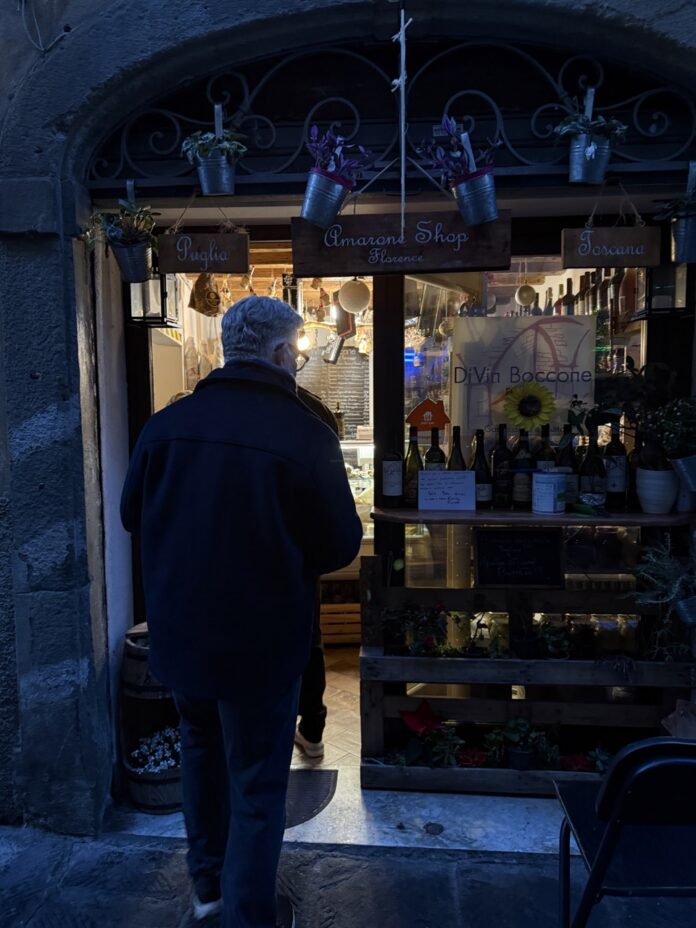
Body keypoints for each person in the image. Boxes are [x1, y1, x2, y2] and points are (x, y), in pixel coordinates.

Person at [120, 296, 363, 928]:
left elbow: (131, 516)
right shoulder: (305, 434)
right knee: (256, 782)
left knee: (201, 759)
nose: (298, 362)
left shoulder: (165, 426)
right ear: (281, 353)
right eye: (296, 352)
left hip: (182, 637)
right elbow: (340, 546)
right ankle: (249, 915)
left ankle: (209, 892)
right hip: (262, 641)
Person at [294, 385, 339, 759]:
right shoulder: (315, 411)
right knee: (308, 640)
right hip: (301, 555)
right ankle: (312, 730)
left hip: (234, 559)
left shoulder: (210, 408)